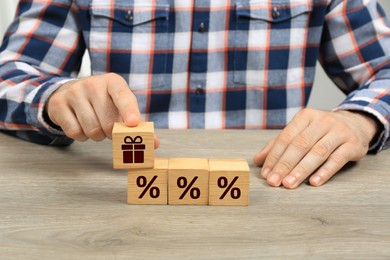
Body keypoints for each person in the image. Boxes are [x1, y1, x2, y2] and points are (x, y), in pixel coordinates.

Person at [0, 0, 389, 189]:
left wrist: (359, 119)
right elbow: (10, 73)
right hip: (113, 198)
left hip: (276, 194)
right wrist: (53, 99)